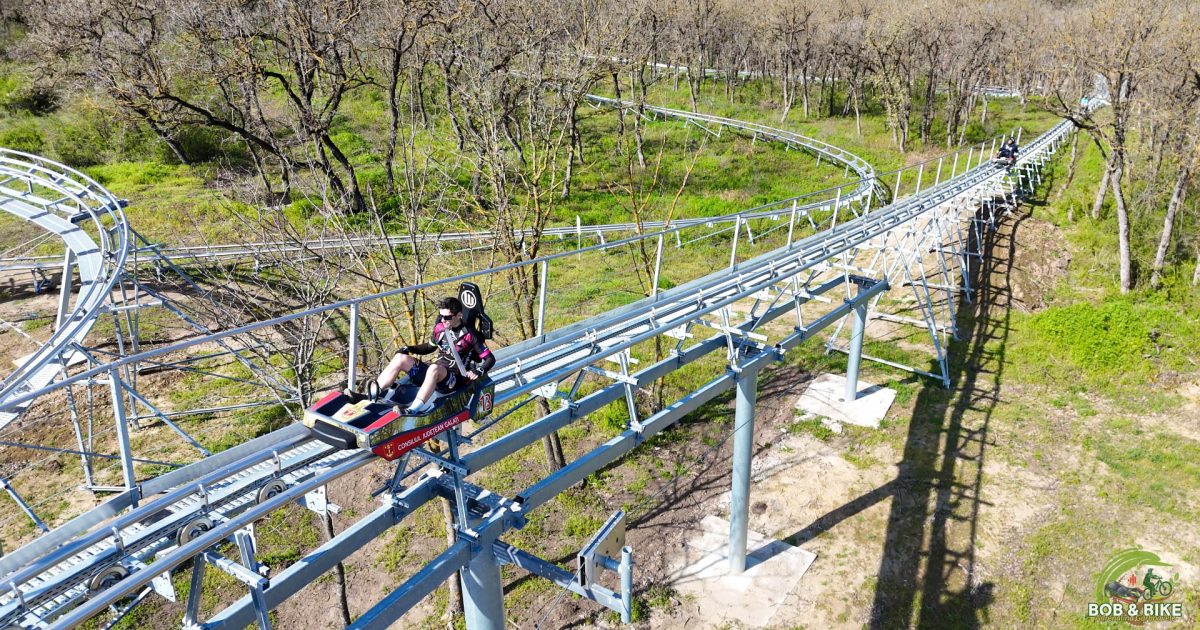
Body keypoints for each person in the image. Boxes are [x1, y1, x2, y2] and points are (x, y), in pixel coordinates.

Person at [376, 296, 495, 414]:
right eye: (441, 316)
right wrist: (409, 349)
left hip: (454, 380)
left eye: (447, 317)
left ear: (459, 315)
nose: (443, 320)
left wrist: (479, 371)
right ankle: (373, 394)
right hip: (435, 375)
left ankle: (412, 410)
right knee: (400, 358)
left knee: (433, 368)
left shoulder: (470, 335)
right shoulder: (440, 328)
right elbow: (429, 347)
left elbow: (490, 358)